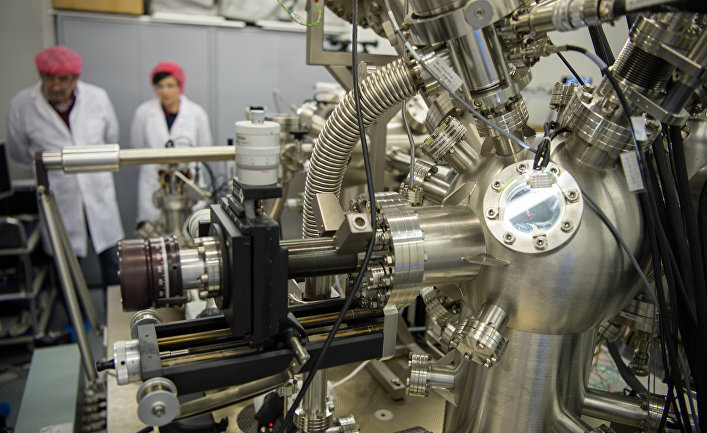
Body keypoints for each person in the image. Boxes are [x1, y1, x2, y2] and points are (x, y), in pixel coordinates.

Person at [7, 45, 124, 287]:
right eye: (49, 78)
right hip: (59, 197)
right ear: (40, 75)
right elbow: (18, 153)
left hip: (97, 192)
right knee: (66, 271)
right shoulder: (22, 104)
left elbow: (111, 137)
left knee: (114, 263)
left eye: (64, 79)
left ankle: (117, 310)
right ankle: (74, 312)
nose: (56, 86)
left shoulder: (97, 98)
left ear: (76, 78)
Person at [130, 61, 213, 223]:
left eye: (170, 85)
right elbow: (137, 146)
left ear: (180, 86)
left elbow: (205, 148)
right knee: (155, 233)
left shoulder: (196, 113)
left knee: (191, 230)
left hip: (188, 183)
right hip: (154, 184)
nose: (165, 91)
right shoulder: (144, 113)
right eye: (160, 86)